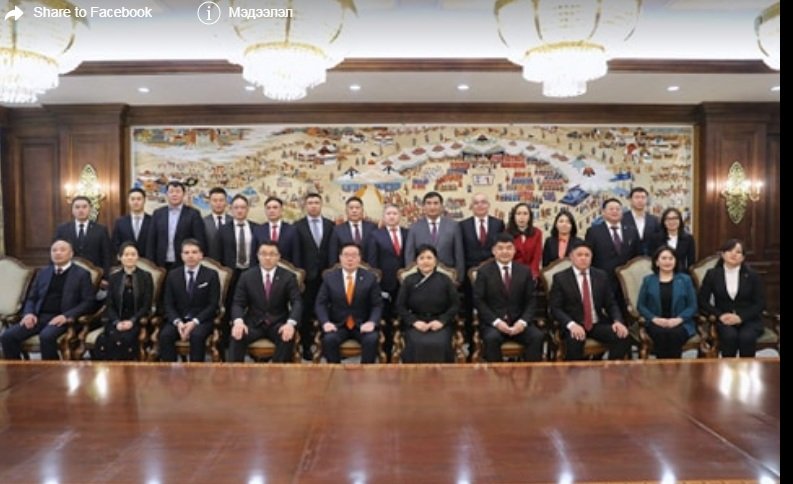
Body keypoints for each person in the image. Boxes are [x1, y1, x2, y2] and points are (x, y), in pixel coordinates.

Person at [1, 240, 95, 360]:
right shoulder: (43, 272)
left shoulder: (81, 274)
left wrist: (66, 316)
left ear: (71, 254)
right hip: (39, 317)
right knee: (7, 336)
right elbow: (31, 298)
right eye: (54, 250)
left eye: (62, 250)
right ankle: (17, 368)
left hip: (63, 319)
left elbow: (88, 302)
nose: (58, 253)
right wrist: (29, 313)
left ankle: (51, 369)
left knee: (46, 336)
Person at [549, 241, 631, 361]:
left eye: (587, 255)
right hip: (574, 324)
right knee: (575, 341)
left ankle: (610, 370)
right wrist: (571, 325)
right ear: (571, 257)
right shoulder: (561, 278)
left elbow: (611, 303)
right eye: (579, 255)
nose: (583, 258)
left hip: (597, 323)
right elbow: (555, 308)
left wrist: (617, 321)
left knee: (622, 336)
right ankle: (576, 373)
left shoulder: (601, 276)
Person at [229, 241, 302, 363]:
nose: (268, 258)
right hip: (253, 323)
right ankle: (235, 372)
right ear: (258, 256)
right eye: (263, 254)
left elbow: (297, 302)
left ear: (279, 257)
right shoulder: (247, 276)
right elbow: (238, 303)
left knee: (287, 336)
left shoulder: (288, 277)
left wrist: (290, 324)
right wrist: (238, 322)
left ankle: (276, 373)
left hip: (278, 323)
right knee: (237, 334)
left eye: (272, 254)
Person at [474, 233, 543, 362]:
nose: (505, 252)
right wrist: (497, 322)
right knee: (491, 338)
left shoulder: (524, 271)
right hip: (494, 324)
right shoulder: (484, 272)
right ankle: (496, 375)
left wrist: (522, 322)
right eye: (500, 248)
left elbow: (532, 300)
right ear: (493, 251)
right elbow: (479, 301)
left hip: (519, 323)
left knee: (537, 337)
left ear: (514, 250)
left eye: (509, 248)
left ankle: (529, 374)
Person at [316, 242, 383, 364]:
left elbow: (377, 305)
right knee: (329, 339)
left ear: (359, 258)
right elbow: (321, 303)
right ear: (340, 258)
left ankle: (366, 373)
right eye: (346, 255)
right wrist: (325, 322)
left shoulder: (370, 278)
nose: (350, 259)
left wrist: (372, 322)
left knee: (371, 339)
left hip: (362, 324)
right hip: (338, 325)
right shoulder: (330, 278)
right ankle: (335, 372)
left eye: (354, 255)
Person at [698, 239, 766, 358]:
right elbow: (702, 301)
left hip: (749, 319)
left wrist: (741, 317)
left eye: (738, 252)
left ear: (743, 257)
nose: (734, 254)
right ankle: (727, 369)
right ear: (723, 254)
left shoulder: (752, 275)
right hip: (724, 319)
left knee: (746, 337)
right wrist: (720, 315)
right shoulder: (712, 274)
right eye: (730, 250)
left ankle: (747, 369)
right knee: (730, 337)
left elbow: (760, 303)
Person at [158, 238, 220, 362]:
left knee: (197, 336)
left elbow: (213, 305)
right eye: (186, 253)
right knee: (165, 335)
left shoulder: (211, 275)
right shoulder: (173, 275)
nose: (190, 256)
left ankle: (195, 372)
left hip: (201, 320)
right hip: (178, 319)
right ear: (181, 256)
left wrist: (194, 322)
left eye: (194, 252)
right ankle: (169, 371)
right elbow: (168, 304)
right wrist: (178, 322)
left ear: (201, 255)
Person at [396, 244, 460, 363]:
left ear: (435, 261)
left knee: (440, 343)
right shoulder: (409, 280)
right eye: (421, 258)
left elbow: (455, 305)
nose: (425, 261)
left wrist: (442, 321)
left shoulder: (445, 280)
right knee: (416, 343)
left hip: (440, 323)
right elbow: (400, 306)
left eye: (429, 258)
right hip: (416, 322)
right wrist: (414, 322)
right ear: (416, 262)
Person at [93, 242, 154, 361]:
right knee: (105, 339)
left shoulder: (146, 277)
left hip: (137, 321)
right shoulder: (114, 277)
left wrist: (132, 321)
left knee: (125, 339)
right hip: (116, 320)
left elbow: (146, 305)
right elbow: (109, 304)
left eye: (133, 254)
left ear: (138, 257)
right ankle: (111, 371)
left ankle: (126, 370)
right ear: (119, 257)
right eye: (126, 255)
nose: (130, 257)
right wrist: (117, 322)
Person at [460, 193, 505, 350]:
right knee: (470, 307)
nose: (480, 205)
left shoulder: (498, 224)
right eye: (476, 203)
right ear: (471, 206)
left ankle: (491, 343)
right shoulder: (463, 225)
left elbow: (501, 248)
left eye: (483, 202)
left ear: (488, 205)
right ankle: (472, 345)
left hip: (493, 273)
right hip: (469, 274)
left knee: (492, 306)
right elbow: (460, 250)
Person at [294, 192, 335, 360]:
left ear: (321, 204)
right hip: (307, 277)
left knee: (326, 311)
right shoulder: (298, 226)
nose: (313, 205)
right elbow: (296, 253)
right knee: (306, 312)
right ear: (305, 205)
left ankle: (326, 346)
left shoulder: (330, 225)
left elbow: (333, 250)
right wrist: (300, 275)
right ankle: (306, 346)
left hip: (327, 277)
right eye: (310, 203)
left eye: (316, 202)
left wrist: (332, 272)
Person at [637, 246, 697, 359]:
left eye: (671, 258)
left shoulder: (685, 280)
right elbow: (641, 306)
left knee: (674, 334)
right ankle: (663, 367)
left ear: (675, 261)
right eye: (664, 258)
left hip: (681, 323)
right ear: (657, 262)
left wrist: (679, 319)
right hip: (656, 322)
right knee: (661, 334)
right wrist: (654, 319)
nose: (667, 262)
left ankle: (673, 367)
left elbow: (692, 306)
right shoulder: (648, 280)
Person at [364, 204, 408, 361]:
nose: (392, 216)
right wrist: (377, 285)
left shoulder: (408, 233)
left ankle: (406, 351)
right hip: (385, 284)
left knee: (405, 318)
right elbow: (372, 262)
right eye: (388, 213)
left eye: (395, 213)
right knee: (387, 319)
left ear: (400, 216)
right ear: (384, 217)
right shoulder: (375, 235)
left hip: (405, 284)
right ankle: (387, 353)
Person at [585, 198, 640, 309]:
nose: (615, 211)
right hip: (603, 281)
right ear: (603, 212)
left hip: (627, 282)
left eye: (618, 209)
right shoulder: (593, 232)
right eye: (611, 209)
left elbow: (636, 255)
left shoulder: (631, 231)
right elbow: (589, 256)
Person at [404, 191, 465, 283]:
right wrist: (411, 277)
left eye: (436, 203)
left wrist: (459, 278)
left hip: (448, 276)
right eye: (428, 203)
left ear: (442, 206)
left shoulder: (453, 226)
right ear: (423, 207)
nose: (432, 207)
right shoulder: (414, 227)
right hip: (422, 276)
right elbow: (409, 254)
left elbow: (459, 254)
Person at [147, 181, 206, 270]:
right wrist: (151, 263)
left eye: (178, 191)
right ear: (166, 194)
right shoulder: (158, 213)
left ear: (183, 194)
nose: (174, 194)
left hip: (185, 263)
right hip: (160, 263)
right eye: (171, 192)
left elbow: (199, 240)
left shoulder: (193, 214)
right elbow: (151, 240)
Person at [54, 195, 112, 278]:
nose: (81, 210)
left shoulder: (100, 230)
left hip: (94, 276)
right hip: (68, 276)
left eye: (84, 207)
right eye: (77, 207)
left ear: (90, 209)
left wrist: (105, 278)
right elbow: (56, 252)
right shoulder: (62, 229)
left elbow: (107, 255)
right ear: (72, 210)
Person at [327, 196, 377, 266]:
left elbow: (375, 252)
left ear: (362, 210)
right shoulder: (337, 230)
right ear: (346, 211)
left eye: (357, 208)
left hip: (368, 269)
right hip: (345, 269)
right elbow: (333, 255)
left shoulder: (372, 228)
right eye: (351, 208)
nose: (354, 211)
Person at [252, 196, 301, 266]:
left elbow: (296, 255)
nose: (271, 210)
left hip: (286, 270)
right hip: (263, 269)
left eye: (275, 207)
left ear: (281, 210)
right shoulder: (258, 230)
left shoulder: (292, 230)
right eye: (268, 208)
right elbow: (253, 256)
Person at [650, 207, 696, 272]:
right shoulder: (655, 238)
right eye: (668, 219)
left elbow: (691, 262)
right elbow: (653, 260)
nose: (671, 222)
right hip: (661, 274)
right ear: (664, 222)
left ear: (680, 220)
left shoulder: (688, 239)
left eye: (675, 218)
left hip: (681, 274)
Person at [506, 202, 542, 278]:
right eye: (518, 213)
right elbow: (506, 257)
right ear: (514, 216)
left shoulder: (537, 233)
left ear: (530, 217)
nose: (522, 217)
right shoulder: (506, 233)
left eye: (525, 214)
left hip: (531, 273)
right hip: (512, 273)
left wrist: (532, 274)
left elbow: (537, 256)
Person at [111, 187, 152, 254]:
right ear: (128, 201)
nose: (135, 202)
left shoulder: (152, 221)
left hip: (147, 259)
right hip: (127, 259)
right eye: (132, 199)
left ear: (144, 200)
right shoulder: (120, 222)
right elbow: (115, 245)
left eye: (139, 199)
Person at [622, 187, 661, 255]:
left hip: (649, 258)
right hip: (628, 259)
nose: (640, 200)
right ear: (630, 200)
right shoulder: (622, 219)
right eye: (637, 197)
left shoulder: (654, 220)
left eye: (643, 197)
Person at [203, 187, 232, 261]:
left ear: (226, 202)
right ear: (209, 202)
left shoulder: (233, 221)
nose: (218, 203)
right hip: (210, 263)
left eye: (221, 200)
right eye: (215, 200)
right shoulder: (202, 222)